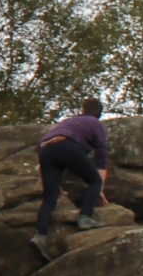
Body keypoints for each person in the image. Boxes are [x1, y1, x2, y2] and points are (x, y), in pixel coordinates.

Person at [30, 98, 110, 263]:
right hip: (66, 146)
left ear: (82, 109)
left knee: (50, 198)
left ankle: (40, 236)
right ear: (99, 114)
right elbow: (102, 156)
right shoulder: (95, 123)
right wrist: (100, 189)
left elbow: (42, 145)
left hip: (45, 149)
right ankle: (85, 218)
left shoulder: (69, 122)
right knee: (94, 181)